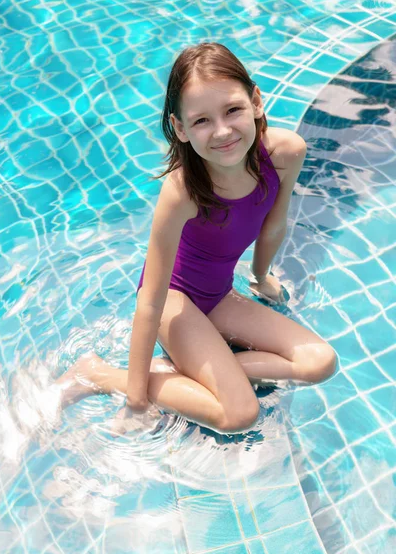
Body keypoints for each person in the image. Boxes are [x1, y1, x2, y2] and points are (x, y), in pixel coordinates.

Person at [56, 42, 337, 435]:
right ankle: (100, 374)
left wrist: (261, 277)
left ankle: (182, 376)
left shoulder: (286, 152)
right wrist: (136, 403)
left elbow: (274, 224)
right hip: (175, 304)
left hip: (219, 296)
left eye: (232, 110)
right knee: (239, 415)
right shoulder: (183, 191)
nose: (222, 131)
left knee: (320, 361)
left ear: (256, 101)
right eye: (202, 120)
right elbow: (150, 299)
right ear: (181, 129)